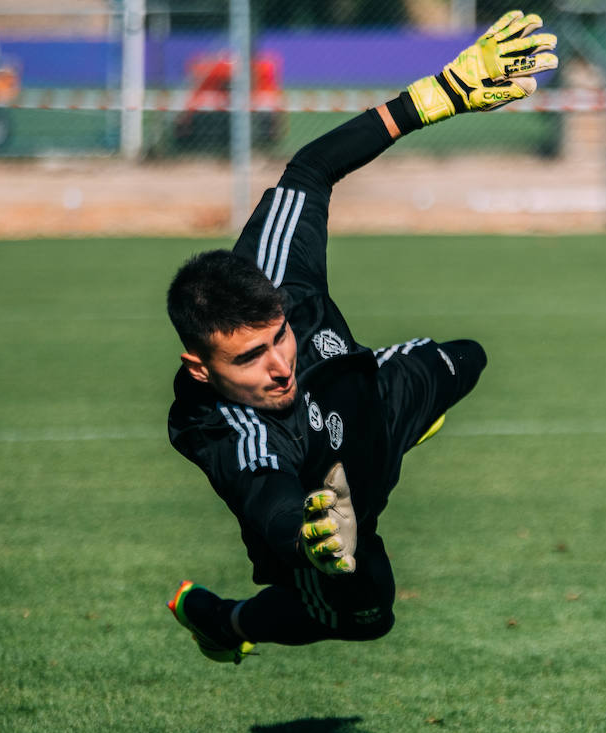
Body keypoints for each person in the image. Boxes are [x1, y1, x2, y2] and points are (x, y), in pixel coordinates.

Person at [162, 11, 559, 664]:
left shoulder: (275, 268)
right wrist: (307, 538)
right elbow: (266, 495)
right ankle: (224, 621)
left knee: (469, 358)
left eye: (279, 337)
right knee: (369, 614)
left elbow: (312, 168)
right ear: (201, 368)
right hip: (330, 507)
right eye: (250, 357)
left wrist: (437, 95)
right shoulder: (226, 427)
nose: (278, 364)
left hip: (368, 390)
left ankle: (395, 431)